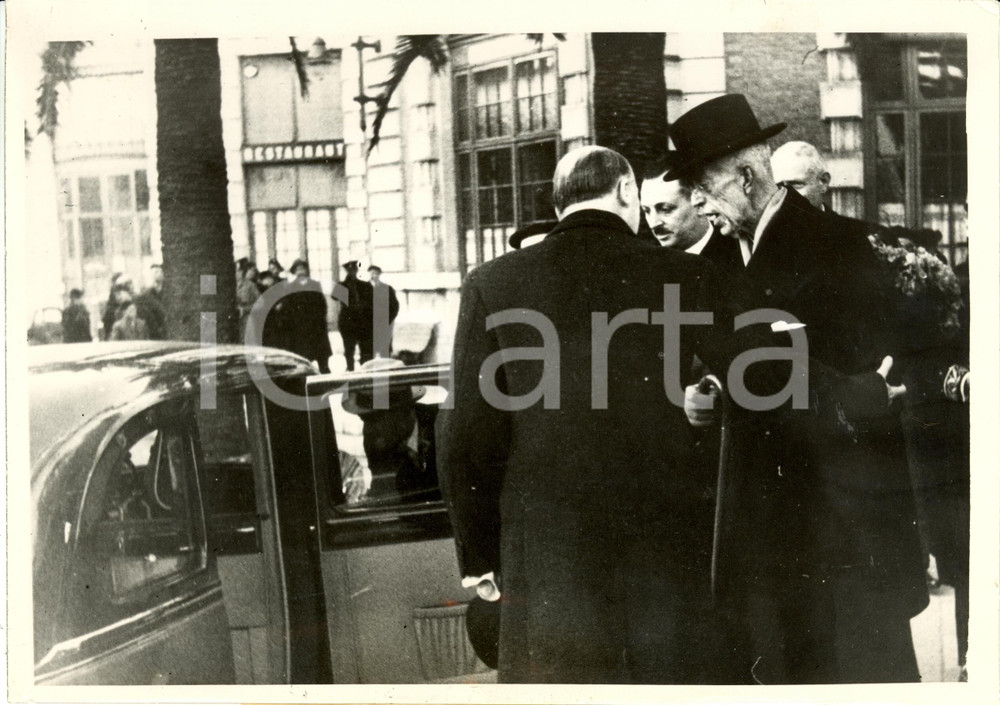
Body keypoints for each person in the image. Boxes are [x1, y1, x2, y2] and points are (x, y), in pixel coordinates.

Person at [436, 145, 896, 684]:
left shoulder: (493, 284)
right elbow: (768, 370)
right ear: (626, 192)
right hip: (665, 548)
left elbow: (464, 433)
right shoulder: (681, 273)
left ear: (558, 204)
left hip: (549, 556)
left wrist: (478, 556)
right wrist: (864, 391)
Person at [666, 93, 926, 683]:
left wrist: (759, 377)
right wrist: (705, 392)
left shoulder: (839, 248)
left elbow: (873, 381)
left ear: (748, 176)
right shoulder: (720, 263)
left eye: (703, 187)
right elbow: (749, 367)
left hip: (843, 533)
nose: (698, 203)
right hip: (770, 536)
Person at [641, 154, 742, 268]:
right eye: (646, 211)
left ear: (699, 203)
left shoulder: (736, 258)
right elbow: (672, 286)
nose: (653, 223)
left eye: (665, 209)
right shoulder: (652, 262)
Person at [279, 259, 332, 373]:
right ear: (294, 272)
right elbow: (287, 308)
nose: (301, 272)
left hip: (315, 326)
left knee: (322, 358)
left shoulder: (314, 284)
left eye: (303, 269)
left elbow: (322, 304)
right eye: (298, 269)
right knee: (302, 358)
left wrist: (318, 319)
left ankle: (325, 377)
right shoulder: (290, 287)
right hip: (299, 328)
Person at [770, 140, 831, 211]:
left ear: (823, 183)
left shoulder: (842, 222)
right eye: (779, 187)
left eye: (795, 185)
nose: (785, 196)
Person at [336, 260, 374, 371]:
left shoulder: (365, 285)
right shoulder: (341, 285)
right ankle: (350, 369)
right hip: (348, 322)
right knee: (349, 349)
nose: (352, 272)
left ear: (357, 270)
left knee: (365, 349)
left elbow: (371, 301)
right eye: (349, 270)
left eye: (354, 269)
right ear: (346, 271)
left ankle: (365, 369)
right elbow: (335, 296)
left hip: (363, 322)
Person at [367, 265, 400, 358]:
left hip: (383, 324)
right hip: (368, 325)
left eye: (376, 273)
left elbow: (394, 306)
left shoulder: (387, 288)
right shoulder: (363, 288)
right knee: (368, 351)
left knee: (384, 350)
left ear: (380, 274)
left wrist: (388, 319)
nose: (374, 276)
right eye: (371, 273)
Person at [134, 264, 166, 340]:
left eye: (161, 271)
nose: (160, 273)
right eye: (156, 272)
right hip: (154, 333)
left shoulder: (166, 292)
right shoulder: (146, 296)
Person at [236, 260, 261, 341]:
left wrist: (245, 309)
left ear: (242, 272)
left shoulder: (250, 285)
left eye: (238, 270)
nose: (236, 273)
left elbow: (260, 304)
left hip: (247, 319)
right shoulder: (229, 286)